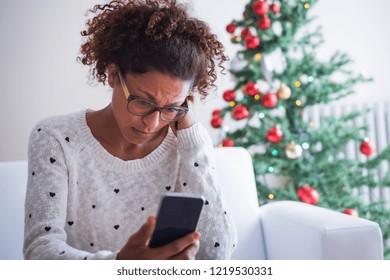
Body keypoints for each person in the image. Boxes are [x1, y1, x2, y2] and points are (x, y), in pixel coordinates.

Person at [23, 0, 237, 260]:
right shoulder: (56, 137)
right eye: (143, 102)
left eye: (171, 108)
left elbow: (219, 254)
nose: (152, 123)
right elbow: (39, 251)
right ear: (114, 75)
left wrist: (193, 138)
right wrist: (120, 265)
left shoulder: (187, 145)